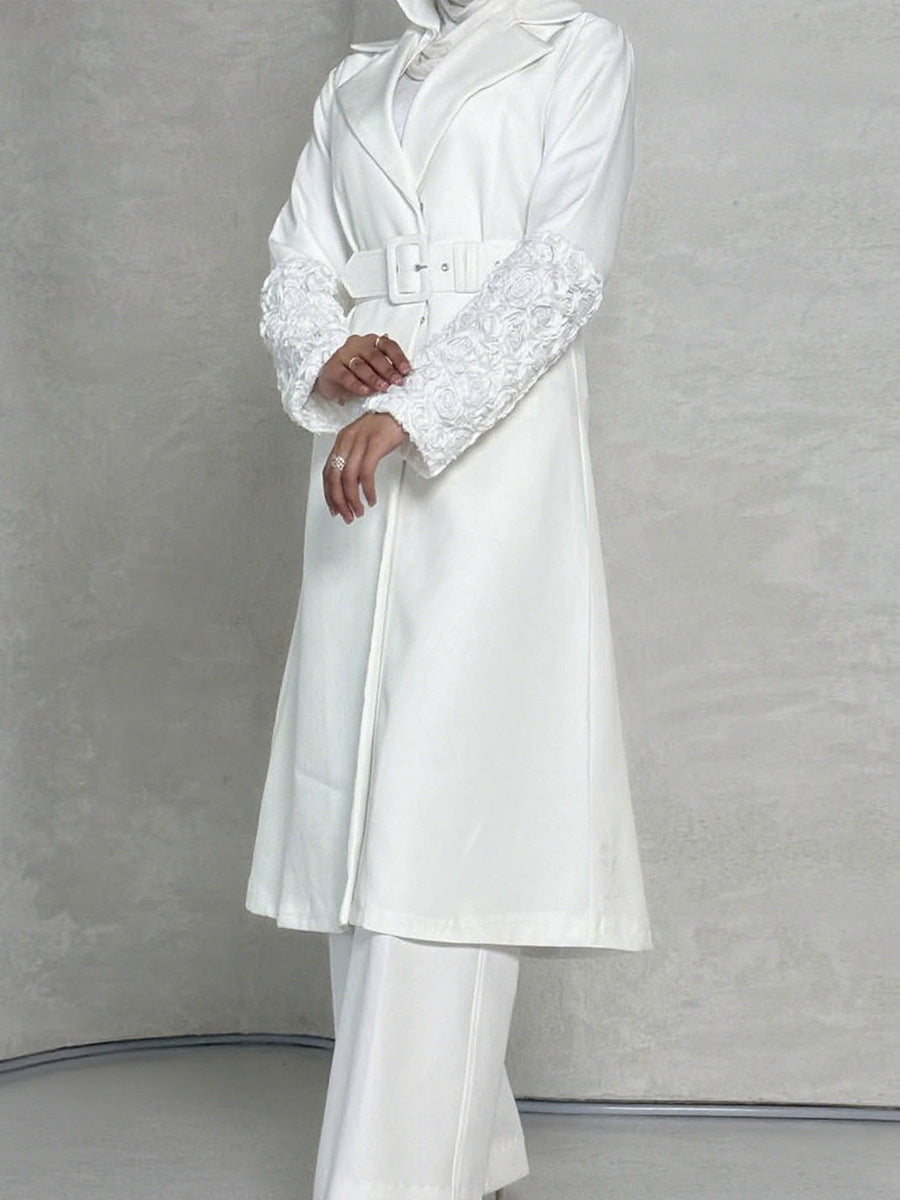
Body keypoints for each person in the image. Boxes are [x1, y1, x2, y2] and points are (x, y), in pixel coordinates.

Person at [244, 2, 653, 1197]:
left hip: (493, 449)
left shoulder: (576, 47)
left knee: (451, 801)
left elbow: (562, 267)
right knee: (361, 796)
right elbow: (299, 259)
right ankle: (472, 1146)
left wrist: (417, 412)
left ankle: (393, 1176)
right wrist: (324, 355)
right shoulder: (356, 80)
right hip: (355, 463)